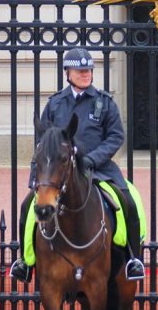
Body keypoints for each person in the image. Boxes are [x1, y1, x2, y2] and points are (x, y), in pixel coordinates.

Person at [9, 47, 146, 282]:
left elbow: (115, 136)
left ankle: (133, 260)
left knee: (129, 201)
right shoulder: (55, 104)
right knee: (27, 207)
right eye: (80, 70)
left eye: (89, 70)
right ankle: (25, 261)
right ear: (68, 73)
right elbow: (42, 145)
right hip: (60, 171)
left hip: (99, 168)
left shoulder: (105, 102)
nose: (86, 74)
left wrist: (91, 159)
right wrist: (35, 177)